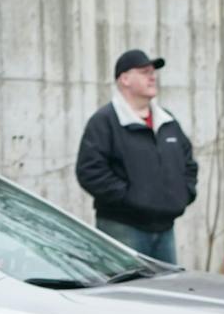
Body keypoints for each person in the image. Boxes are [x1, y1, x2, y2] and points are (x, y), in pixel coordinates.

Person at [76, 49, 197, 264]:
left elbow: (188, 162)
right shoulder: (105, 121)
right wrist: (130, 199)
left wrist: (184, 193)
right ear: (125, 79)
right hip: (123, 228)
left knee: (166, 294)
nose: (153, 77)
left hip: (165, 229)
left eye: (153, 72)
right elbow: (90, 171)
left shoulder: (167, 121)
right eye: (144, 72)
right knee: (126, 294)